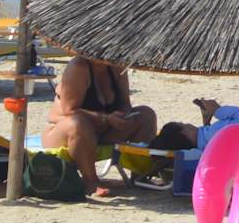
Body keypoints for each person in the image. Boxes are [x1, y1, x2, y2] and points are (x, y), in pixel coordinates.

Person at [41, 56, 156, 197]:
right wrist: (105, 118)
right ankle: (91, 181)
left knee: (146, 115)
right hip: (64, 132)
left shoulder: (117, 66)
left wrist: (123, 116)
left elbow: (125, 103)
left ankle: (139, 176)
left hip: (103, 130)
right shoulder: (79, 67)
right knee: (78, 123)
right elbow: (69, 110)